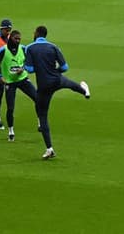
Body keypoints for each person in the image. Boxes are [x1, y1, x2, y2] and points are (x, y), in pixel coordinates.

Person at [23, 25, 90, 159]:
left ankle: (49, 148)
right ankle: (84, 91)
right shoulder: (53, 47)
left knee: (42, 115)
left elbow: (29, 69)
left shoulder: (30, 48)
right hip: (56, 80)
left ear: (37, 33)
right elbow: (65, 67)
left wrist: (38, 68)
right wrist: (53, 71)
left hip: (44, 85)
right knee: (69, 84)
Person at [0, 29, 37, 143]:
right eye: (16, 39)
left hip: (22, 79)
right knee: (10, 108)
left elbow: (30, 60)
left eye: (19, 39)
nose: (18, 41)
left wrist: (23, 68)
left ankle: (41, 122)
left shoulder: (23, 48)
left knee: (37, 98)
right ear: (11, 38)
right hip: (10, 82)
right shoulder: (3, 50)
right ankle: (11, 131)